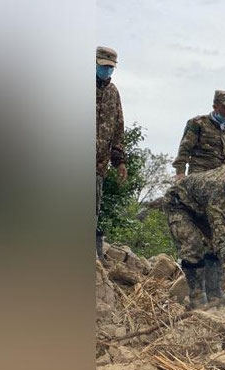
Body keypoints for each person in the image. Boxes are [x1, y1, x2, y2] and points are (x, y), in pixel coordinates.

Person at [163, 156, 225, 309]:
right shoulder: (217, 191)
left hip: (200, 206)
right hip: (178, 204)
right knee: (193, 245)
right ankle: (197, 298)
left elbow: (222, 236)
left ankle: (214, 293)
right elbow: (220, 239)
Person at [95, 46, 127, 262]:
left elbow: (118, 127)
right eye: (104, 66)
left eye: (110, 68)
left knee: (94, 204)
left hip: (99, 162)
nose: (107, 71)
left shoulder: (113, 92)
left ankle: (95, 255)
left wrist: (120, 160)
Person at [172, 90, 225, 180]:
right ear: (215, 107)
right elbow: (184, 149)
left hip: (222, 180)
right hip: (200, 177)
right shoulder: (199, 123)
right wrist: (180, 173)